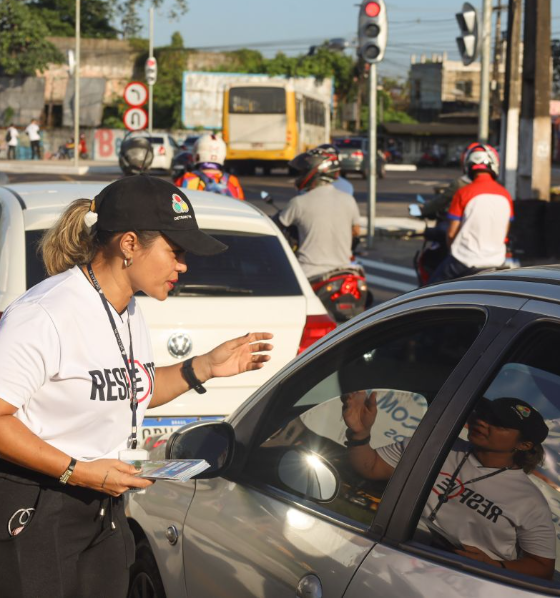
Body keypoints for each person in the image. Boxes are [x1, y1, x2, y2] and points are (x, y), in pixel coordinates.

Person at [0, 174, 273, 598]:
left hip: (104, 507)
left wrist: (200, 368)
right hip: (40, 508)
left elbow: (130, 388)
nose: (183, 265)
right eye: (175, 251)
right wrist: (77, 470)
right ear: (129, 244)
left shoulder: (127, 310)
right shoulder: (44, 314)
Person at [342, 392, 556, 579]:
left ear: (524, 444)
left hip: (466, 581)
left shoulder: (529, 501)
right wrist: (360, 434)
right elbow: (371, 467)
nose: (482, 421)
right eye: (483, 414)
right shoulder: (433, 445)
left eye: (498, 423)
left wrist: (494, 566)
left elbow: (543, 568)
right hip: (396, 555)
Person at [427, 142, 514, 284]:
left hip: (464, 261)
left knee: (428, 292)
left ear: (468, 166)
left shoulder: (463, 193)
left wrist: (452, 250)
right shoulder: (506, 195)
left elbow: (451, 233)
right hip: (497, 261)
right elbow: (505, 231)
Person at [278, 147, 361, 279]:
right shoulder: (349, 200)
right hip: (344, 272)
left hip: (310, 272)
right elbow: (356, 231)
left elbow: (277, 227)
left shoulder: (299, 202)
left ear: (313, 172)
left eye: (303, 171)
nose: (300, 176)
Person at [175, 133, 244, 200]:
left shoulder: (186, 179)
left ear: (197, 155)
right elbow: (241, 205)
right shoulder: (232, 181)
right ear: (223, 156)